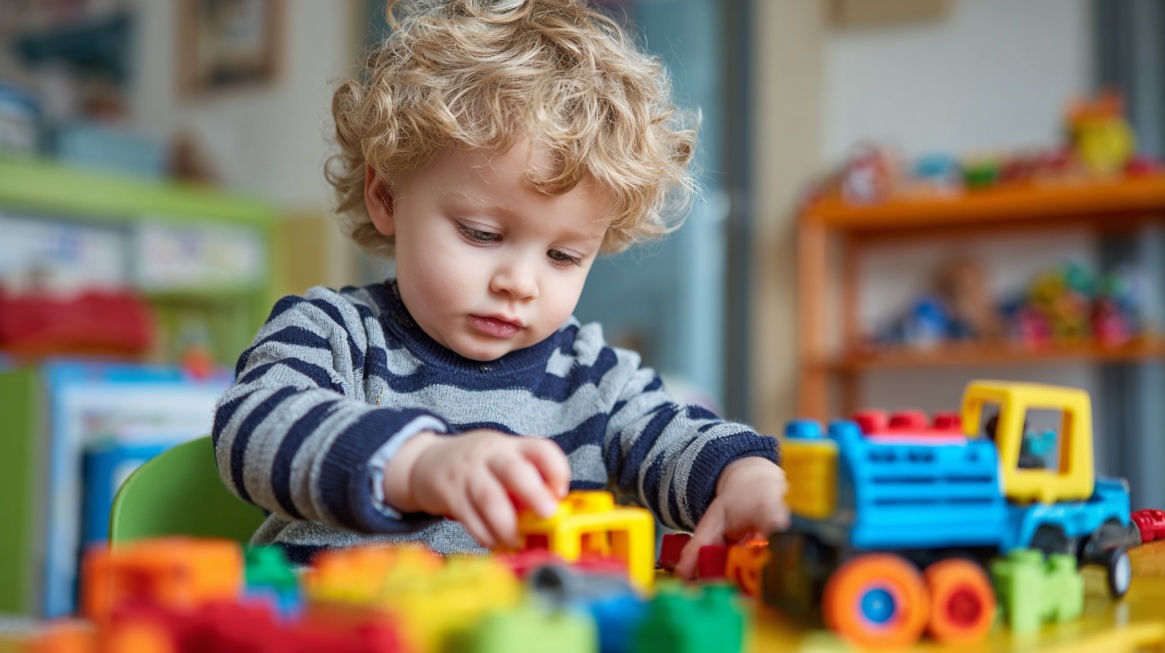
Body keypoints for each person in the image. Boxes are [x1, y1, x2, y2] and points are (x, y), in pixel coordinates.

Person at [212, 0, 787, 581]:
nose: (519, 283)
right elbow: (253, 431)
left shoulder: (595, 379)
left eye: (563, 255)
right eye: (482, 234)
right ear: (385, 196)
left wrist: (743, 475)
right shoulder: (331, 333)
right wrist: (415, 464)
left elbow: (680, 437)